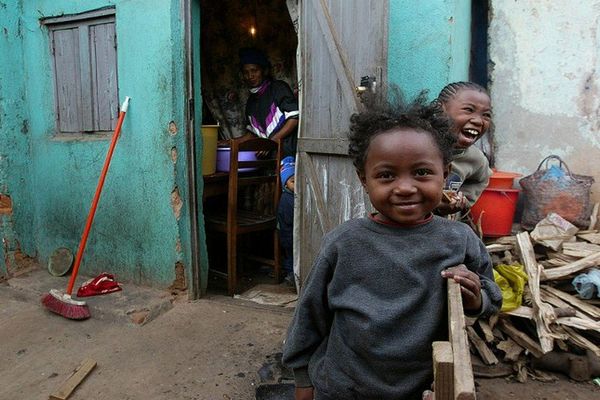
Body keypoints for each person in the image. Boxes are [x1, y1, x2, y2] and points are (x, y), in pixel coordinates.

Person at [282, 93, 502, 400]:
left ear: (446, 174)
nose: (405, 187)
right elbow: (309, 316)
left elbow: (493, 296)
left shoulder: (459, 240)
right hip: (343, 388)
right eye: (386, 176)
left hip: (421, 389)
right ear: (364, 179)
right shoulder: (344, 243)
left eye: (422, 172)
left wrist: (476, 297)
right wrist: (303, 381)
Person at [434, 81, 493, 216]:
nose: (478, 121)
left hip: (442, 230)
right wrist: (432, 203)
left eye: (486, 115)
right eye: (468, 110)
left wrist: (462, 200)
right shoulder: (417, 148)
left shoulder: (476, 159)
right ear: (440, 109)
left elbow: (481, 179)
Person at [240, 48, 299, 158]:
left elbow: (294, 119)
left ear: (264, 71)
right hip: (268, 162)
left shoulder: (278, 88)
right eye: (246, 72)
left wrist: (271, 142)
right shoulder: (250, 103)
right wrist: (228, 142)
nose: (250, 76)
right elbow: (252, 134)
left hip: (287, 155)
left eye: (254, 70)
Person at [277, 156, 295, 285]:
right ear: (285, 185)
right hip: (288, 234)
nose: (297, 184)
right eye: (293, 181)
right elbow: (289, 220)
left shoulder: (295, 196)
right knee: (290, 253)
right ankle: (290, 274)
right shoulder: (287, 200)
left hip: (294, 232)